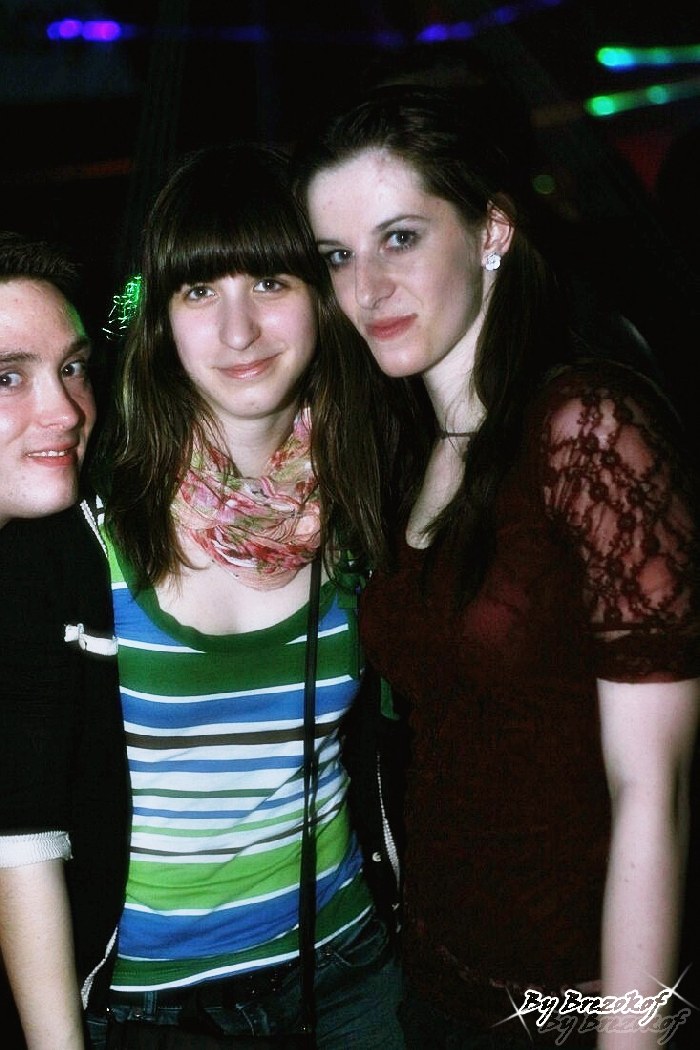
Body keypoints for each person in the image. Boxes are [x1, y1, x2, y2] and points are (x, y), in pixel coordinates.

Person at [291, 84, 700, 1049]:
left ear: (492, 232)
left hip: (573, 1006)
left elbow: (657, 791)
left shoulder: (586, 428)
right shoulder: (402, 451)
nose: (366, 290)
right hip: (434, 989)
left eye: (399, 239)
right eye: (338, 256)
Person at [85, 142, 405, 1049]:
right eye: (199, 290)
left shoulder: (366, 502)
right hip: (151, 1005)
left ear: (321, 298)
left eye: (269, 282)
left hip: (346, 968)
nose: (239, 331)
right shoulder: (90, 521)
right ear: (160, 318)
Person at [0, 231, 130, 1050]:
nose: (66, 411)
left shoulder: (49, 559)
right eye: (7, 377)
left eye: (74, 368)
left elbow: (21, 835)